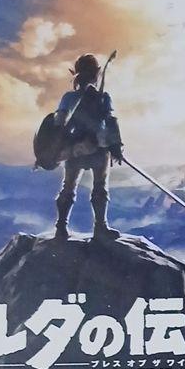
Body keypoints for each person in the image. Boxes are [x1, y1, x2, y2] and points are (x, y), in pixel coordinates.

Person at [53, 54, 123, 240]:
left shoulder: (69, 97)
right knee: (99, 186)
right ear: (96, 73)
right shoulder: (102, 97)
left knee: (68, 187)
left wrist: (61, 147)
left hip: (75, 149)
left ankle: (61, 227)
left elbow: (59, 122)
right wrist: (116, 145)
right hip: (97, 148)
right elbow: (110, 121)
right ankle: (100, 227)